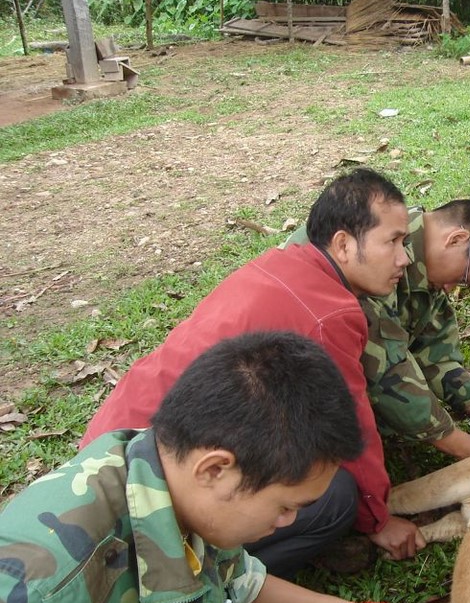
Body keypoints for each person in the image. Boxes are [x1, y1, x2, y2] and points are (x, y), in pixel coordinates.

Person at [0, 331, 449, 603]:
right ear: (215, 469)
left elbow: (243, 588)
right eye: (284, 506)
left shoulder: (172, 481)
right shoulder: (38, 575)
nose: (289, 522)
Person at [81, 167, 424, 576]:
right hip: (152, 485)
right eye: (393, 241)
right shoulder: (329, 312)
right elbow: (353, 423)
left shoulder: (280, 263)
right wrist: (378, 519)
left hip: (108, 448)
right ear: (344, 244)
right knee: (336, 498)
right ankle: (219, 584)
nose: (405, 257)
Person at [284, 199, 470, 459]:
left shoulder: (426, 269)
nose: (454, 288)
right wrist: (460, 443)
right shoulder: (378, 250)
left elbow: (438, 359)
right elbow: (387, 370)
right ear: (456, 239)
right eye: (465, 278)